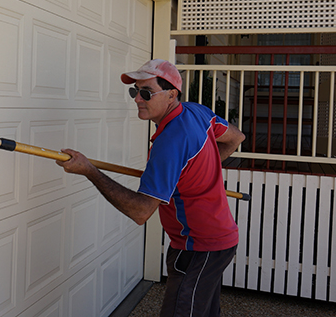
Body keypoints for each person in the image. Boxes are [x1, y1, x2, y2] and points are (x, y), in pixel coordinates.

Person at [57, 59, 245, 317]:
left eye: (146, 92)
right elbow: (236, 137)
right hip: (217, 239)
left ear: (171, 94)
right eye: (135, 91)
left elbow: (140, 211)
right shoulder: (196, 113)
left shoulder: (170, 143)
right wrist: (195, 170)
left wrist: (89, 171)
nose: (137, 99)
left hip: (199, 246)